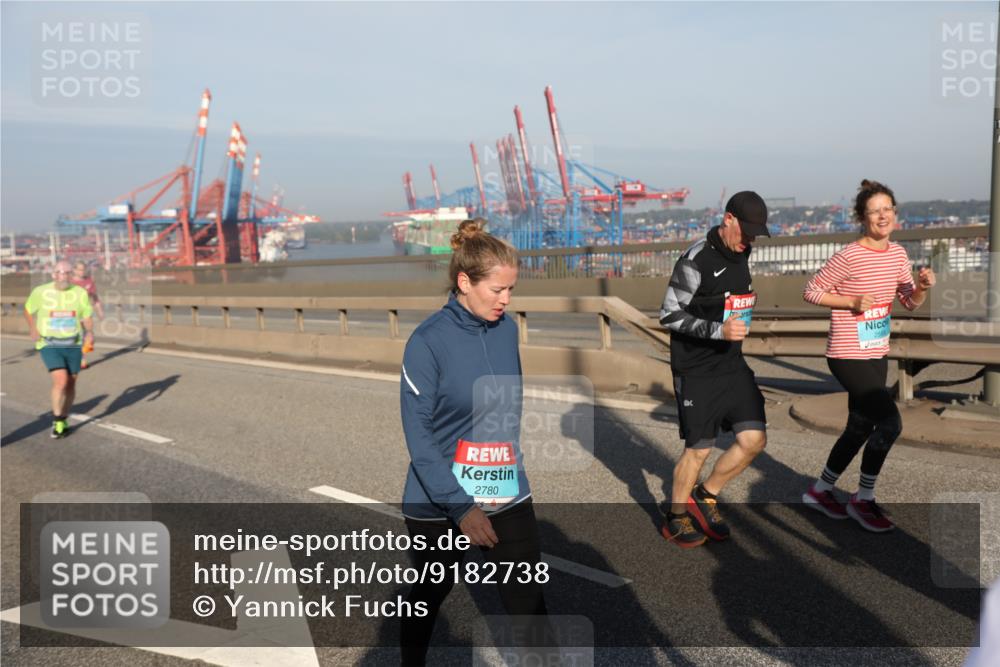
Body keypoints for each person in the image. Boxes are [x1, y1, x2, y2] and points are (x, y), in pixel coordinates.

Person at [399, 219, 549, 664]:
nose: (506, 300)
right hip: (439, 495)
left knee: (528, 601)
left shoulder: (505, 329)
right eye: (497, 290)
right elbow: (419, 437)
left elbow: (506, 410)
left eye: (511, 290)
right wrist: (461, 507)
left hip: (504, 485)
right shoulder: (426, 342)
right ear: (464, 282)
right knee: (429, 592)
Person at [802, 179, 935, 532]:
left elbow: (908, 301)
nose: (882, 216)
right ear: (862, 217)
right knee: (890, 423)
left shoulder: (897, 255)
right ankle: (864, 498)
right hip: (847, 353)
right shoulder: (849, 255)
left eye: (887, 209)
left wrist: (921, 287)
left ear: (895, 214)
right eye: (874, 210)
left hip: (877, 351)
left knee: (860, 425)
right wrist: (850, 302)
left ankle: (820, 490)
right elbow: (811, 291)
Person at [658, 191, 771, 548]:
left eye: (756, 233)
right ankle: (675, 517)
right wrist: (718, 330)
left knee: (754, 440)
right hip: (696, 369)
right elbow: (669, 314)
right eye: (747, 230)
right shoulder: (695, 260)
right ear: (728, 219)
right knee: (699, 449)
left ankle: (705, 495)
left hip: (731, 364)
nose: (750, 239)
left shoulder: (743, 251)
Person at [24, 260, 95, 438]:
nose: (63, 276)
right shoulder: (41, 291)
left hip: (73, 343)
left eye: (67, 273)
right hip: (49, 343)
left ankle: (63, 417)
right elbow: (27, 309)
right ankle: (57, 420)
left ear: (72, 275)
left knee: (71, 383)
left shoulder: (80, 293)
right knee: (61, 381)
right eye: (59, 272)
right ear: (53, 274)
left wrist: (90, 332)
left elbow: (86, 316)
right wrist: (33, 328)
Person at [70, 260, 104, 369]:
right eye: (79, 269)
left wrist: (99, 310)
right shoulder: (68, 282)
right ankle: (79, 359)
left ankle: (81, 356)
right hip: (70, 314)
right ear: (74, 270)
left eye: (83, 269)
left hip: (85, 314)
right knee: (74, 338)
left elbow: (95, 297)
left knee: (90, 338)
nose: (82, 271)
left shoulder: (89, 282)